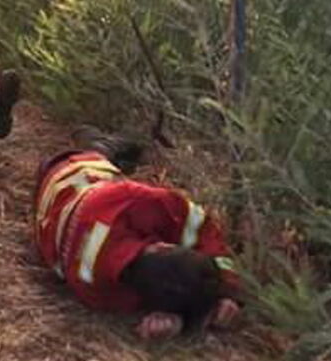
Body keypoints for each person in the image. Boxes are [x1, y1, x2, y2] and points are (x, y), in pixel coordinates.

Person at [33, 127, 244, 341]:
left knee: (106, 166)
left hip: (69, 174)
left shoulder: (128, 202)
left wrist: (223, 286)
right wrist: (228, 288)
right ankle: (102, 146)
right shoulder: (98, 292)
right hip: (59, 193)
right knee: (112, 161)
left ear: (164, 247)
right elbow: (201, 226)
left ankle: (103, 146)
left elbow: (196, 221)